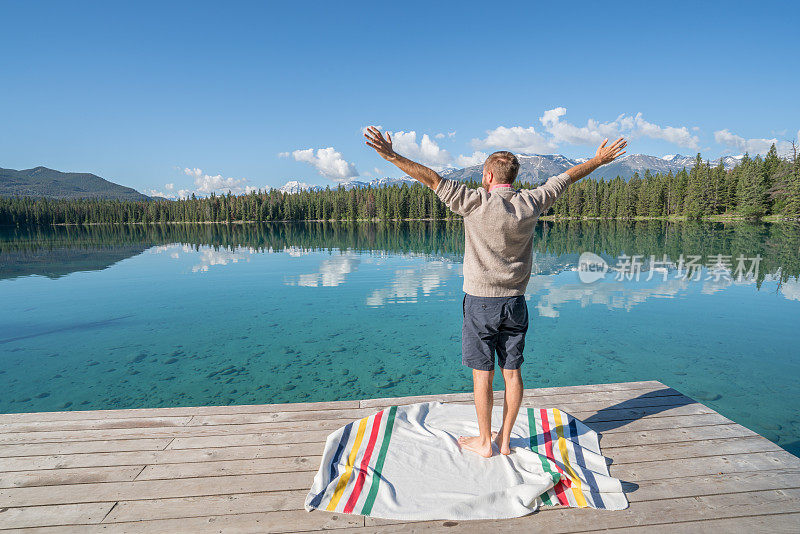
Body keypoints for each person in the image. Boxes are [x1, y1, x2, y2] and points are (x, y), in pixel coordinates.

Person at [364, 126, 627, 457]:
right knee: (513, 372)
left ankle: (485, 442)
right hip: (515, 302)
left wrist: (392, 156)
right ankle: (504, 440)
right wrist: (599, 160)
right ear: (513, 177)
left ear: (488, 176)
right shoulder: (531, 202)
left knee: (482, 373)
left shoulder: (474, 202)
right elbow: (567, 177)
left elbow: (431, 178)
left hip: (480, 304)